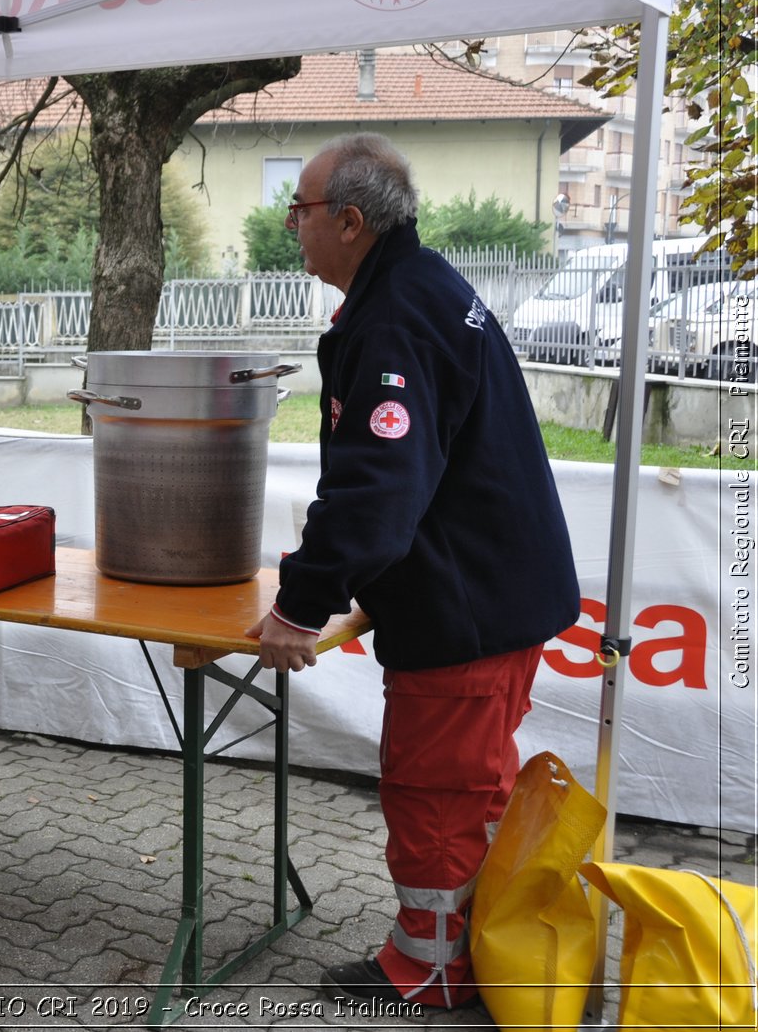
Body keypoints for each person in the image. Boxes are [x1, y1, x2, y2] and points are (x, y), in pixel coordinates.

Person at [245, 134, 579, 1009]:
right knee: (472, 790)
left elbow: (376, 491)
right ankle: (480, 948)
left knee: (435, 794)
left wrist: (299, 607)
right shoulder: (419, 286)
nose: (291, 222)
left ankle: (429, 970)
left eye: (302, 208)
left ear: (350, 222)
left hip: (463, 609)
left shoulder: (396, 311)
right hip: (489, 595)